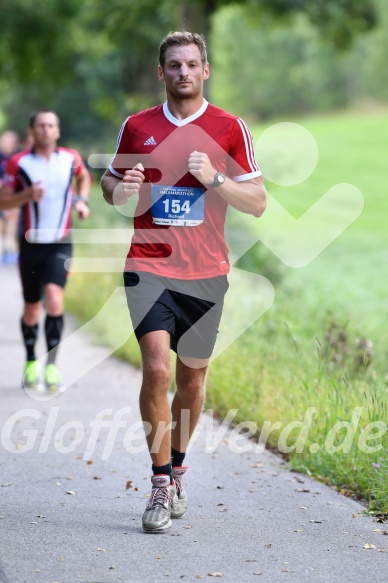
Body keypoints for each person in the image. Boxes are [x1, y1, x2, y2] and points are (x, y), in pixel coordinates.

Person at [101, 31, 266, 533]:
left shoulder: (229, 127)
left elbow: (256, 203)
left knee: (192, 381)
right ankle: (158, 483)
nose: (184, 73)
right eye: (174, 65)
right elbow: (110, 183)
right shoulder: (138, 127)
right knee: (156, 371)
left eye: (192, 64)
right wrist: (118, 188)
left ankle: (176, 467)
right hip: (148, 265)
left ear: (205, 70)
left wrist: (217, 179)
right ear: (162, 73)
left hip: (206, 273)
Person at [0, 110, 91, 391]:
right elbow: (4, 202)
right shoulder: (19, 163)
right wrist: (27, 196)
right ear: (32, 131)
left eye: (51, 125)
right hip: (30, 242)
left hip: (60, 242)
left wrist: (81, 201)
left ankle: (51, 365)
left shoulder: (71, 159)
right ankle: (30, 362)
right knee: (32, 308)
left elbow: (84, 177)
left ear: (57, 131)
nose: (46, 130)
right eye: (41, 125)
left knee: (53, 297)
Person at [0, 130, 20, 264]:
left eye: (12, 142)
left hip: (14, 196)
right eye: (7, 141)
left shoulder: (17, 157)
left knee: (13, 221)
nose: (9, 144)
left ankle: (12, 251)